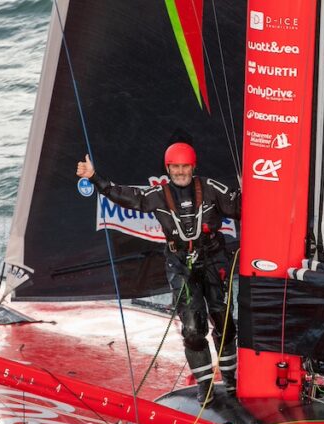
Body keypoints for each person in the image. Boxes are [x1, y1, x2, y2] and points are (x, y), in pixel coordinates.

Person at [76, 143, 240, 405]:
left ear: (193, 167)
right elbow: (126, 196)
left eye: (185, 166)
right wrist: (95, 178)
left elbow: (241, 207)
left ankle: (231, 380)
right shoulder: (158, 194)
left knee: (224, 322)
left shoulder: (211, 188)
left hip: (213, 259)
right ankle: (205, 385)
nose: (180, 172)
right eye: (175, 167)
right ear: (168, 168)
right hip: (180, 264)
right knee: (192, 328)